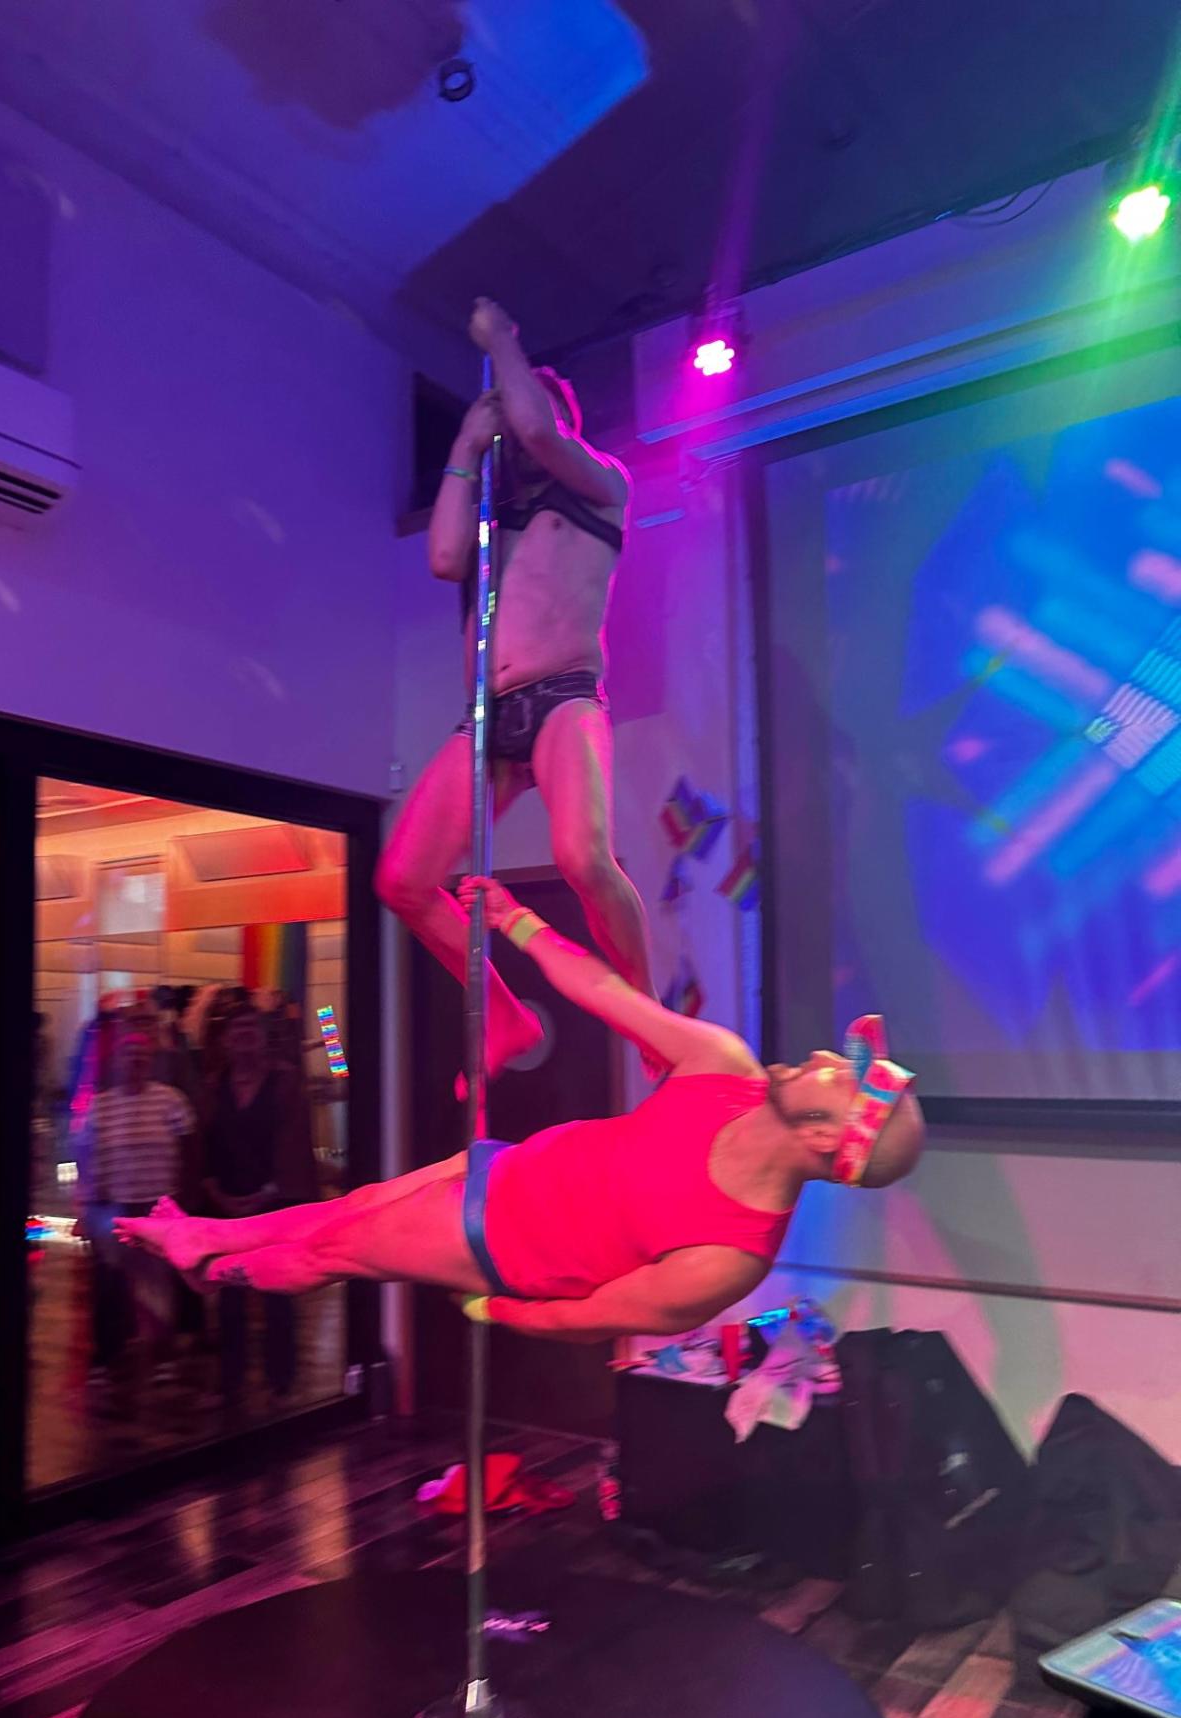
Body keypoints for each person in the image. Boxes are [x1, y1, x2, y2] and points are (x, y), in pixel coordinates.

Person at [118, 878, 925, 1342]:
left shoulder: (730, 1256)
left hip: (497, 1238)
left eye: (841, 1076)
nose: (825, 1056)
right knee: (355, 1206)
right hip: (506, 1166)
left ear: (825, 1137)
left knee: (340, 1246)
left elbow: (603, 1315)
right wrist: (519, 923)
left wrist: (497, 1311)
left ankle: (208, 1262)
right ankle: (205, 1238)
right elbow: (603, 992)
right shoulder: (726, 1065)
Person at [376, 296, 656, 1085]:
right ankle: (503, 1016)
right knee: (402, 878)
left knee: (581, 857)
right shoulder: (498, 518)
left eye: (516, 408)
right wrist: (467, 439)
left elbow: (537, 430)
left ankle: (646, 1010)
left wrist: (504, 340)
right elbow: (439, 557)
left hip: (564, 697)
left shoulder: (603, 485)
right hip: (488, 716)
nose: (515, 431)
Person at [199, 998, 319, 1406]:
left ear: (263, 1038)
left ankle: (280, 1382)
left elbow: (293, 1146)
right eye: (237, 1031)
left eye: (251, 1029)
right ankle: (230, 1382)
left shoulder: (283, 1082)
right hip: (226, 1207)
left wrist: (267, 1194)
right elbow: (205, 1144)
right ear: (226, 1041)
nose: (244, 1038)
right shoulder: (215, 1085)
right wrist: (216, 1193)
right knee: (229, 1298)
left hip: (273, 1207)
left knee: (275, 1293)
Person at [82, 1003, 199, 1377]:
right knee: (109, 1284)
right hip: (114, 1205)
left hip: (157, 1205)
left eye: (141, 1053)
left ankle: (163, 1355)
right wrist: (88, 1205)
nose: (134, 1059)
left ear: (150, 1058)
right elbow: (88, 1158)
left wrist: (185, 1196)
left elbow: (191, 1148)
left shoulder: (170, 1099)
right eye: (128, 1053)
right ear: (117, 1060)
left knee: (158, 1284)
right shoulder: (100, 1107)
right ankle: (106, 1354)